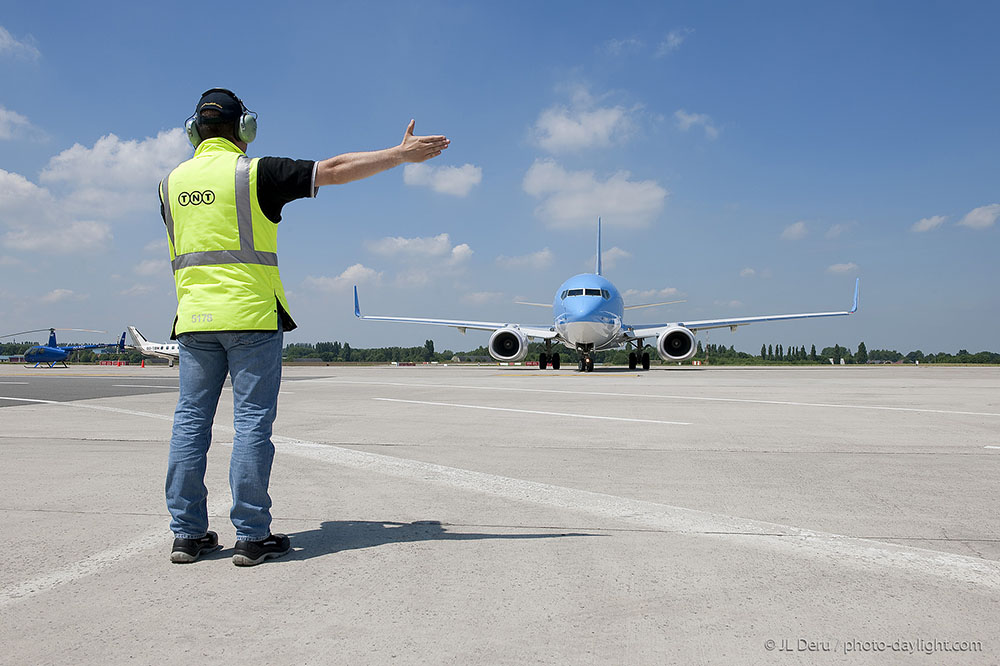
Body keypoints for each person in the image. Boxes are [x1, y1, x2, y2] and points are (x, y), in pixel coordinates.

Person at [161, 88, 449, 566]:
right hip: (251, 317)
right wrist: (400, 155)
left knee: (190, 424)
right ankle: (252, 537)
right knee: (251, 424)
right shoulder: (254, 172)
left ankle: (187, 535)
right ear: (244, 128)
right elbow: (333, 170)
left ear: (194, 130)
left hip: (193, 320)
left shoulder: (169, 184)